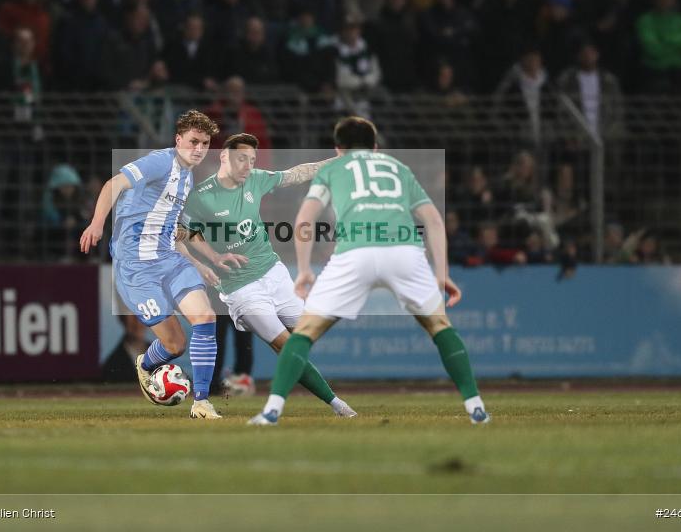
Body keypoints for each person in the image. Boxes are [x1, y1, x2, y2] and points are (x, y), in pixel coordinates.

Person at [248, 117, 489, 426]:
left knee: (305, 333)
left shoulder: (333, 168)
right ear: (375, 147)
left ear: (338, 148)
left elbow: (305, 219)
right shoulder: (397, 168)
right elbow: (434, 220)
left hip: (354, 251)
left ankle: (272, 410)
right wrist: (441, 272)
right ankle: (475, 406)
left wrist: (305, 270)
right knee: (440, 326)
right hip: (403, 249)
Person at [180, 133, 356, 418]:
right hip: (241, 287)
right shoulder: (202, 196)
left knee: (305, 336)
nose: (248, 165)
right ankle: (338, 406)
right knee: (285, 345)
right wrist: (211, 258)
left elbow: (296, 174)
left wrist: (336, 161)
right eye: (242, 159)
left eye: (252, 160)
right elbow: (182, 232)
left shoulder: (256, 179)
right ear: (224, 156)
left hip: (274, 274)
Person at [79, 110, 239, 420]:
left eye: (205, 143)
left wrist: (204, 261)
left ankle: (202, 402)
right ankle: (146, 363)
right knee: (175, 344)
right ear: (178, 140)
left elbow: (175, 229)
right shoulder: (160, 162)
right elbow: (113, 184)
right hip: (136, 269)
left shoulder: (187, 177)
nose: (199, 149)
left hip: (170, 261)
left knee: (206, 317)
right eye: (193, 142)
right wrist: (97, 224)